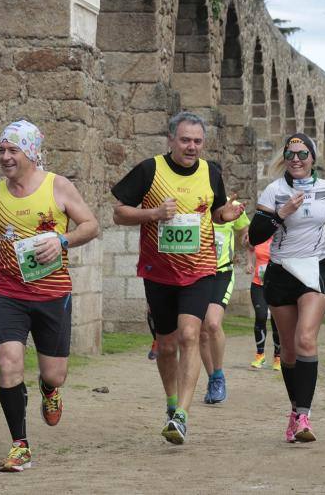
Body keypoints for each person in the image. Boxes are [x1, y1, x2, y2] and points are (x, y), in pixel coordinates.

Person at [0, 120, 99, 472]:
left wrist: (62, 240)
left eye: (12, 150)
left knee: (55, 374)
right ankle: (19, 444)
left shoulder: (58, 187)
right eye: (1, 150)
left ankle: (49, 391)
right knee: (8, 363)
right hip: (9, 293)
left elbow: (90, 226)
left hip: (52, 295)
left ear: (31, 153)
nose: (5, 157)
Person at [111, 111, 244, 445]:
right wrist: (153, 213)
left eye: (198, 141)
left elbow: (214, 210)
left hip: (199, 270)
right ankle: (171, 403)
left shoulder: (211, 172)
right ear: (170, 139)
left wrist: (224, 215)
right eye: (185, 140)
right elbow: (119, 212)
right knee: (167, 346)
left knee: (190, 335)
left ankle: (182, 416)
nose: (192, 147)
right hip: (159, 273)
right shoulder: (149, 170)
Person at [248, 133, 325, 443]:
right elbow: (255, 235)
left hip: (317, 269)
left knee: (306, 337)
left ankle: (304, 416)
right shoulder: (274, 191)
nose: (296, 159)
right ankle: (294, 410)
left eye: (303, 154)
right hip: (281, 271)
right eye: (291, 154)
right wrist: (281, 214)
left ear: (313, 158)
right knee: (289, 350)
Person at [200, 184, 250, 404]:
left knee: (212, 324)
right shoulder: (195, 204)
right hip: (197, 273)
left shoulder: (234, 206)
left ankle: (219, 375)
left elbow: (245, 233)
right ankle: (212, 379)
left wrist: (247, 242)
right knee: (201, 332)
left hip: (221, 273)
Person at [246, 237, 281, 370]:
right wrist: (249, 263)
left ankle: (278, 357)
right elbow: (249, 247)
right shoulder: (259, 234)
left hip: (277, 285)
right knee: (260, 316)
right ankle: (260, 355)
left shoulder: (281, 234)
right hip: (258, 284)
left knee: (276, 320)